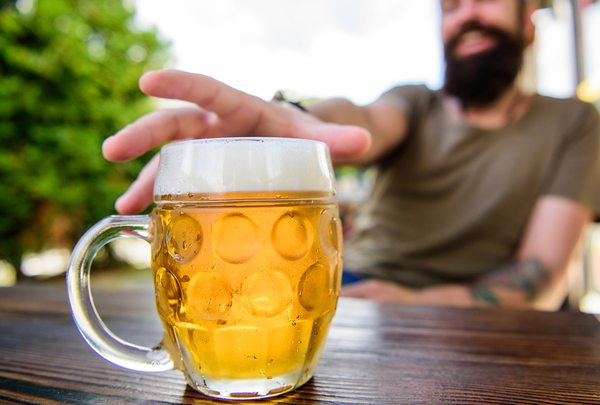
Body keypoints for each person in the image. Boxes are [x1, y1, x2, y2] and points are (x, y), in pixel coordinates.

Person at [102, 0, 600, 310]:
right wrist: (294, 118)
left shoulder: (575, 123)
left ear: (529, 18)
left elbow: (540, 279)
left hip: (461, 312)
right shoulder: (416, 101)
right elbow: (363, 120)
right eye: (449, 6)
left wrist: (415, 302)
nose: (466, 11)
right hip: (349, 288)